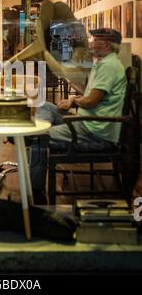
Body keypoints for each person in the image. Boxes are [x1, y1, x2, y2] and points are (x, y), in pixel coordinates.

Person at [32, 28, 127, 201]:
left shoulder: (109, 66)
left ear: (106, 45)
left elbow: (92, 101)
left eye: (95, 40)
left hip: (94, 131)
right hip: (86, 121)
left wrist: (74, 101)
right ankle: (42, 129)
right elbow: (92, 97)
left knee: (37, 138)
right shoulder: (103, 62)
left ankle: (36, 193)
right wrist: (74, 100)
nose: (90, 42)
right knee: (44, 105)